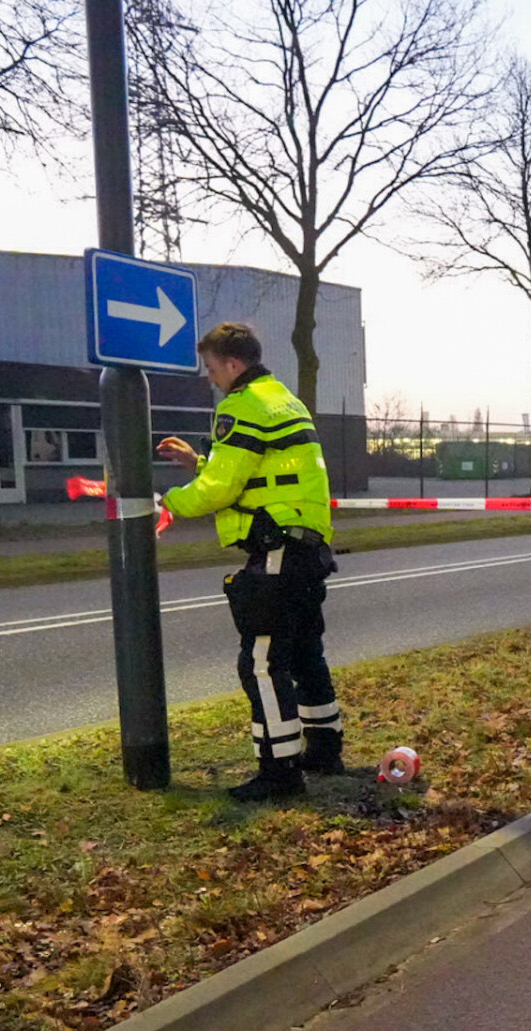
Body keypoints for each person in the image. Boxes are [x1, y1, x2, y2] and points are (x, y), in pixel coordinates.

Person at [157, 323, 343, 802]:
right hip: (307, 545)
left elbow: (221, 490)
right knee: (304, 652)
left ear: (232, 364)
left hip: (277, 547)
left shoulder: (239, 405)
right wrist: (199, 463)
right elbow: (255, 472)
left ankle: (280, 772)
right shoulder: (282, 398)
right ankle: (324, 749)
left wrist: (169, 501)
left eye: (212, 367)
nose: (209, 378)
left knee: (261, 662)